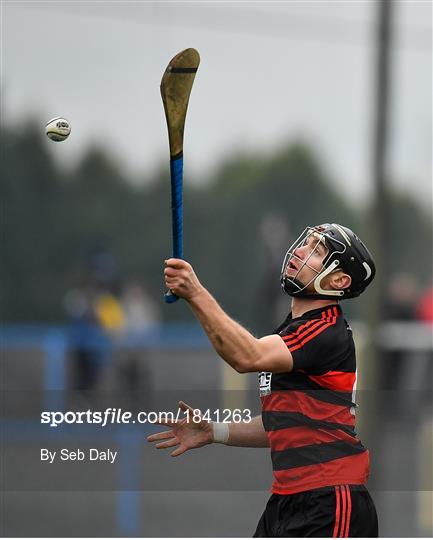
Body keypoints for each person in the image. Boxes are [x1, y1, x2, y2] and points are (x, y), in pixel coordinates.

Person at [148, 223, 379, 537]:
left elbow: (246, 356)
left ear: (338, 280)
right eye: (304, 243)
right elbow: (283, 423)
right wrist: (214, 431)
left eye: (316, 251)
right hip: (289, 499)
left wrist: (195, 292)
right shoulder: (293, 331)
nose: (298, 251)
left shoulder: (324, 330)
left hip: (330, 499)